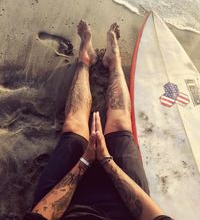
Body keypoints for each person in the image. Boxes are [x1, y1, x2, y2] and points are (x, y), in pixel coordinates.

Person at [24, 20, 174, 220]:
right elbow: (153, 215)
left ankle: (84, 60)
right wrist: (105, 161)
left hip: (64, 207)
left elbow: (41, 214)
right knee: (120, 124)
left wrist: (85, 161)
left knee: (74, 125)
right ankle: (114, 62)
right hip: (123, 208)